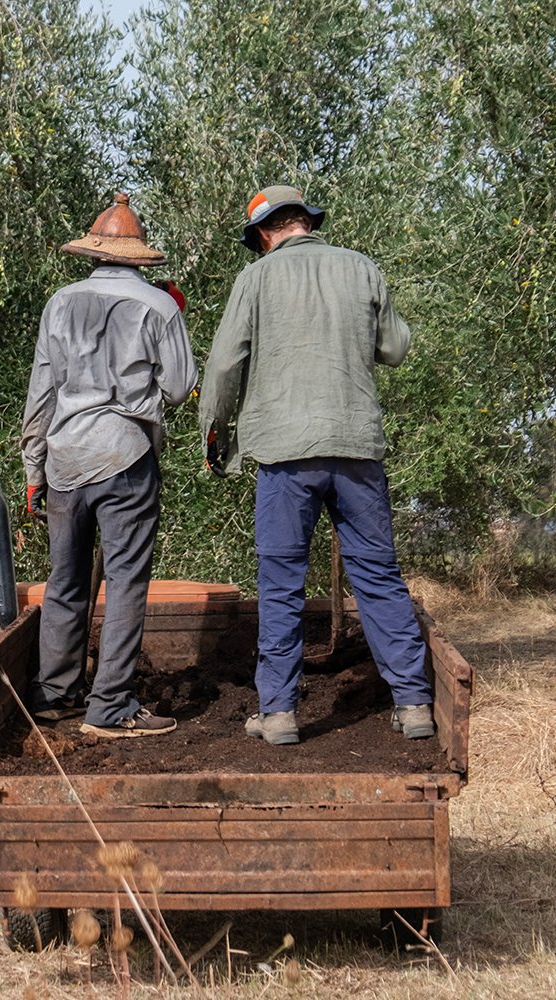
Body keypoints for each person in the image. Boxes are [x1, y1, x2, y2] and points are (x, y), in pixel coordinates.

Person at [200, 184, 435, 747]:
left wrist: (217, 434)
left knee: (281, 584)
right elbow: (396, 348)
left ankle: (279, 713)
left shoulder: (254, 280)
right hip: (356, 448)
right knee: (377, 576)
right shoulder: (361, 268)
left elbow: (225, 363)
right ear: (307, 221)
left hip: (285, 456)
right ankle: (416, 704)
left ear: (262, 234)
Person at [20, 193, 198, 739]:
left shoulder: (60, 303)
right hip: (125, 456)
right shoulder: (159, 306)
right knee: (124, 582)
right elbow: (179, 386)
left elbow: (41, 393)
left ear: (95, 253)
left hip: (65, 461)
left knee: (66, 581)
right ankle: (111, 707)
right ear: (139, 256)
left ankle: (54, 693)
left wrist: (33, 470)